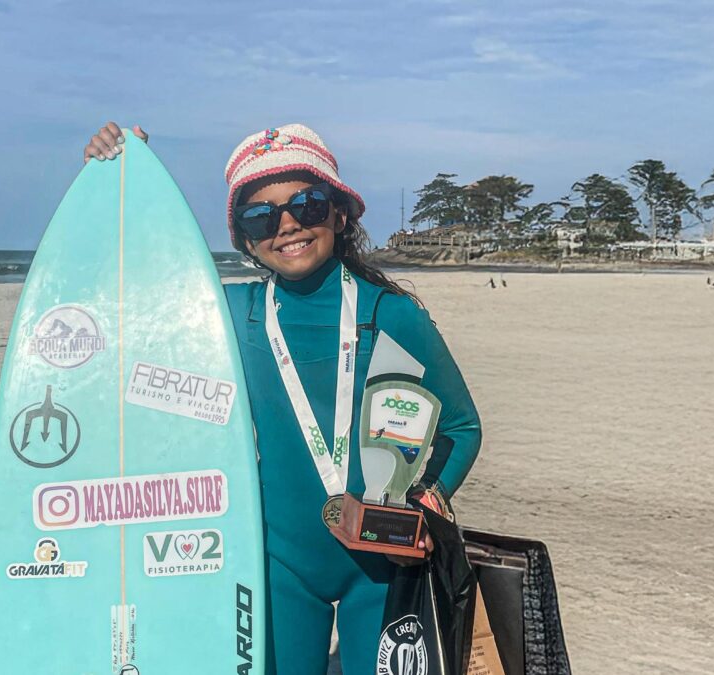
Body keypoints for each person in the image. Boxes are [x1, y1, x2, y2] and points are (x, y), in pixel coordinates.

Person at [85, 121, 482, 675]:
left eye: (308, 204)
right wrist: (128, 180)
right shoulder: (233, 316)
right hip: (275, 560)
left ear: (339, 214)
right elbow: (138, 292)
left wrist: (427, 501)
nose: (288, 224)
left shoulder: (391, 314)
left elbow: (462, 427)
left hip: (383, 564)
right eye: (261, 215)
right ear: (246, 238)